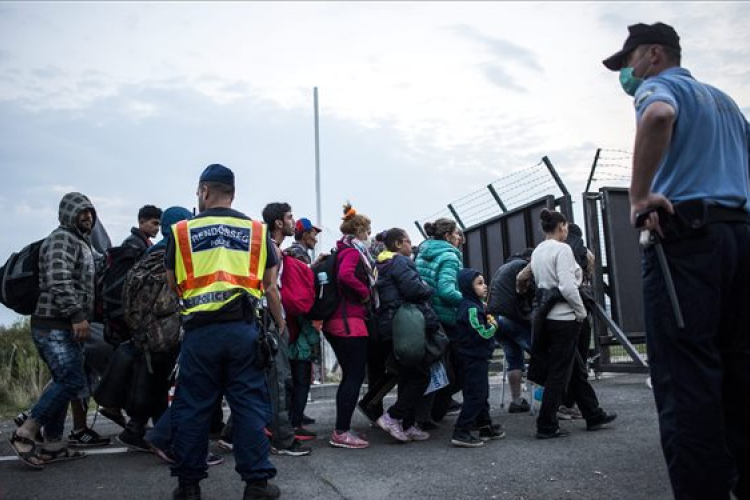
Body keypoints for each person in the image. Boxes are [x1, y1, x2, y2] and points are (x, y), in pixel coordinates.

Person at [603, 22, 750, 500]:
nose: (625, 74)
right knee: (740, 372)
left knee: (686, 380)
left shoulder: (661, 87)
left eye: (627, 62)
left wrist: (639, 196)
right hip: (739, 237)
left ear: (653, 55)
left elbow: (659, 116)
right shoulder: (725, 103)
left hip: (687, 243)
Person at [166, 164, 281, 500]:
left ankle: (189, 486)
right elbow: (270, 283)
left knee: (192, 408)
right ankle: (257, 484)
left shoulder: (182, 232)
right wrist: (280, 322)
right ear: (233, 193)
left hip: (200, 333)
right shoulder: (256, 231)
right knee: (249, 406)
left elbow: (172, 283)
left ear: (204, 191)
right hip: (243, 330)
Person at [9, 192, 99, 468]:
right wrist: (76, 315)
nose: (87, 216)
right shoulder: (61, 239)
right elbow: (58, 279)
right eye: (82, 212)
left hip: (62, 325)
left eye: (90, 212)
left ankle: (53, 444)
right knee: (71, 380)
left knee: (64, 379)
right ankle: (26, 432)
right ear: (68, 214)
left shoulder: (79, 242)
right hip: (53, 324)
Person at [530, 209, 616, 439]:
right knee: (559, 373)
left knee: (575, 369)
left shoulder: (538, 251)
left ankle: (593, 414)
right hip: (565, 318)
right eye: (566, 227)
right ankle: (546, 424)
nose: (567, 231)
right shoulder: (563, 249)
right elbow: (568, 287)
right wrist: (580, 312)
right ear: (561, 226)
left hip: (547, 317)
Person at [117, 207, 192, 452]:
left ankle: (137, 429)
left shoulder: (151, 252)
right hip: (166, 329)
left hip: (145, 328)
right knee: (167, 383)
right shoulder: (174, 252)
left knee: (154, 379)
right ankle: (162, 438)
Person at [258, 202, 313, 455]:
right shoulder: (273, 250)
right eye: (289, 217)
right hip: (268, 318)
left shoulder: (268, 247)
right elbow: (270, 288)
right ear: (279, 223)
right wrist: (280, 322)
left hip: (258, 317)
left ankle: (232, 435)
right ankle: (283, 439)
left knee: (259, 379)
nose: (293, 222)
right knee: (278, 378)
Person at [371, 228, 434, 443]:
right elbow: (414, 290)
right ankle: (393, 417)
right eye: (407, 241)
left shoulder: (382, 263)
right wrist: (428, 287)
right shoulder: (400, 262)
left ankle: (406, 424)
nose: (410, 245)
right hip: (406, 324)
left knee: (407, 374)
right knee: (421, 375)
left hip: (392, 324)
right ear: (398, 244)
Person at [326, 203, 377, 449]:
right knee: (354, 376)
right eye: (367, 230)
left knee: (351, 375)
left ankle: (342, 427)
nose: (369, 235)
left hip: (340, 321)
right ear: (359, 231)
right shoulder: (353, 252)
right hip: (348, 322)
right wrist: (365, 292)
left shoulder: (342, 249)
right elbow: (345, 276)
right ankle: (341, 431)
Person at [414, 218, 464, 427]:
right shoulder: (449, 256)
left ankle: (426, 413)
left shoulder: (422, 253)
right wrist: (470, 300)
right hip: (446, 318)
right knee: (457, 370)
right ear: (448, 235)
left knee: (434, 367)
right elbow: (446, 290)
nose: (460, 238)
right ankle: (434, 413)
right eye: (457, 234)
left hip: (426, 316)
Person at [451, 268, 504, 447]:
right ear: (468, 287)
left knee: (479, 392)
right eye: (479, 284)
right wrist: (494, 325)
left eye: (483, 282)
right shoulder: (471, 308)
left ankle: (484, 425)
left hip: (474, 356)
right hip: (472, 357)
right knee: (476, 394)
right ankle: (461, 431)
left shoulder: (475, 305)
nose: (485, 286)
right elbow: (482, 332)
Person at [285, 217, 323, 433]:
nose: (315, 238)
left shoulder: (292, 253)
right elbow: (301, 291)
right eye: (313, 234)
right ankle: (295, 421)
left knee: (294, 377)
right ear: (305, 234)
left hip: (291, 324)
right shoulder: (299, 254)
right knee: (300, 378)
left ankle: (295, 415)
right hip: (298, 324)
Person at [487, 249, 534, 414]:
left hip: (495, 319)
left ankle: (516, 401)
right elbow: (530, 293)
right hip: (510, 317)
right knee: (540, 353)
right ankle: (556, 400)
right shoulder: (523, 267)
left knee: (514, 359)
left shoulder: (504, 267)